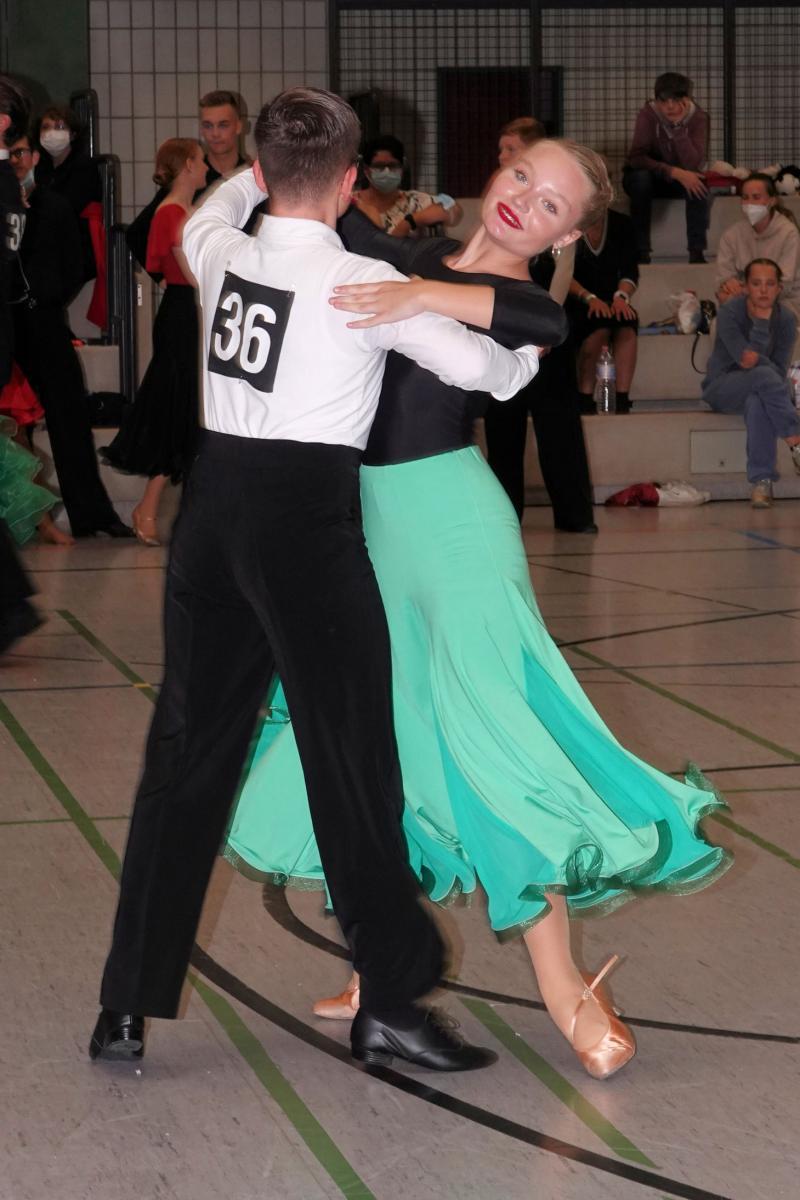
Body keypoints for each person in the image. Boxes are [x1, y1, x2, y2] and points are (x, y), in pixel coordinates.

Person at [226, 136, 732, 1082]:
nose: (523, 201)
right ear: (497, 171)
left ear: (566, 235)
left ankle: (567, 987)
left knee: (489, 741)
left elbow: (537, 316)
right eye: (522, 177)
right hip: (365, 528)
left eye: (550, 206)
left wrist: (416, 295)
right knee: (380, 742)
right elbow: (318, 227)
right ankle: (383, 968)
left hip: (452, 532)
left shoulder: (517, 303)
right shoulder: (411, 255)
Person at [89, 87, 542, 1071]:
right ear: (348, 181)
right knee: (352, 762)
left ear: (261, 168)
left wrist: (249, 179)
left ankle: (125, 1003)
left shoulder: (220, 249)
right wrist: (455, 309)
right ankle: (391, 1002)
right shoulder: (359, 281)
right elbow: (497, 375)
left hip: (212, 516)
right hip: (305, 526)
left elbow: (208, 208)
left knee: (185, 752)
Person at [8, 131, 131, 539]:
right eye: (10, 153)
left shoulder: (55, 206)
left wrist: (47, 296)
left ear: (35, 157)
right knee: (13, 422)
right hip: (5, 323)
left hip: (43, 322)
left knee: (69, 418)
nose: (16, 161)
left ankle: (93, 515)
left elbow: (76, 265)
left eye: (22, 152)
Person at [481, 119, 596, 529]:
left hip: (546, 332)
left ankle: (575, 515)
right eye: (501, 150)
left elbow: (564, 271)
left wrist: (544, 325)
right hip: (503, 328)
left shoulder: (554, 208)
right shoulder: (501, 198)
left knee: (558, 427)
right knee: (502, 426)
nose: (502, 157)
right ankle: (506, 515)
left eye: (510, 149)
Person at [101, 139, 207, 545]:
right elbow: (190, 272)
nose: (204, 168)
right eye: (199, 161)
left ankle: (175, 511)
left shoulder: (182, 211)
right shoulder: (172, 213)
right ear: (187, 166)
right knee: (176, 407)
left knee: (185, 410)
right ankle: (148, 507)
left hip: (188, 311)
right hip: (184, 314)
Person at [703, 257, 800, 509]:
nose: (763, 290)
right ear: (745, 287)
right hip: (722, 387)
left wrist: (762, 363)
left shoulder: (787, 320)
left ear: (779, 288)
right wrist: (762, 323)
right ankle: (796, 440)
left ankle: (762, 482)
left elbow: (778, 369)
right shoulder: (729, 313)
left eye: (770, 284)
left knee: (759, 401)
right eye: (756, 284)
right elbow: (746, 361)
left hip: (762, 388)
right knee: (763, 376)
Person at [126, 91, 251, 272]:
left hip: (244, 280)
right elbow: (136, 234)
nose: (215, 133)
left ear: (239, 126)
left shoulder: (253, 178)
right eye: (208, 126)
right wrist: (165, 279)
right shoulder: (188, 178)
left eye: (223, 125)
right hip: (195, 285)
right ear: (201, 129)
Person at [623, 72, 710, 264]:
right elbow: (636, 158)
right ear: (657, 101)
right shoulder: (648, 115)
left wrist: (678, 128)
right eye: (664, 101)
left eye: (675, 100)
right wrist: (672, 171)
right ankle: (641, 251)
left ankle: (696, 251)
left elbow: (692, 163)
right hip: (648, 176)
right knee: (641, 180)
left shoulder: (698, 118)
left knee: (699, 183)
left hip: (677, 178)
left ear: (686, 99)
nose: (669, 106)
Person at [567, 207, 639, 413]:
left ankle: (622, 398)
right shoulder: (568, 222)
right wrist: (589, 298)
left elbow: (630, 272)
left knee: (626, 320)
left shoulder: (622, 224)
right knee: (599, 324)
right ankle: (585, 396)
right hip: (575, 298)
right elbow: (561, 274)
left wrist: (621, 297)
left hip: (611, 298)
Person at [716, 174, 800, 321]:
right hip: (743, 303)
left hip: (784, 303)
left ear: (772, 200)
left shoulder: (789, 234)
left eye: (756, 197)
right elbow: (724, 281)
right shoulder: (731, 236)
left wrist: (746, 290)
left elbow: (784, 284)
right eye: (745, 197)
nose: (749, 203)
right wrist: (728, 287)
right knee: (718, 324)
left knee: (761, 320)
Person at [33, 105, 101, 284]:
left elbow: (69, 207)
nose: (51, 133)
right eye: (46, 127)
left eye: (60, 127)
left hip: (75, 251)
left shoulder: (84, 167)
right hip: (51, 250)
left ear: (73, 134)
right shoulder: (41, 166)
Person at [353, 134, 463, 237]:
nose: (387, 171)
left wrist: (413, 220)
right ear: (366, 170)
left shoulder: (415, 202)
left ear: (402, 168)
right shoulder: (351, 202)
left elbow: (454, 211)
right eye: (379, 166)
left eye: (393, 165)